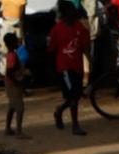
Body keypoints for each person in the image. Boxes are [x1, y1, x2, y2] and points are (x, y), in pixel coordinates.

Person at [51, 4, 91, 135]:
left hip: (77, 67)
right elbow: (52, 49)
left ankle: (59, 111)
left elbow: (85, 46)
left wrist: (90, 61)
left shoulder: (79, 27)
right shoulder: (57, 29)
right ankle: (75, 125)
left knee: (76, 96)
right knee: (73, 97)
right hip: (64, 68)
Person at [1, 28, 30, 137]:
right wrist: (18, 83)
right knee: (19, 108)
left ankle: (8, 128)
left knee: (12, 106)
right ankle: (19, 131)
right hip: (13, 84)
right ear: (12, 43)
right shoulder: (13, 55)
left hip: (10, 83)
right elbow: (10, 72)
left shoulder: (10, 54)